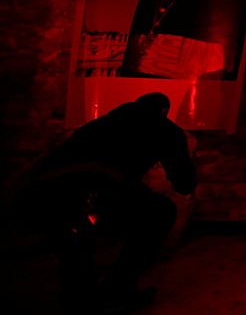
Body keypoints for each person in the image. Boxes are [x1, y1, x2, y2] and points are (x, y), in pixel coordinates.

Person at [8, 92, 197, 314]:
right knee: (160, 212)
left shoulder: (100, 124)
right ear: (164, 112)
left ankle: (78, 297)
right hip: (94, 192)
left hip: (42, 195)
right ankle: (117, 290)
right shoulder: (166, 131)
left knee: (76, 225)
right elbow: (185, 184)